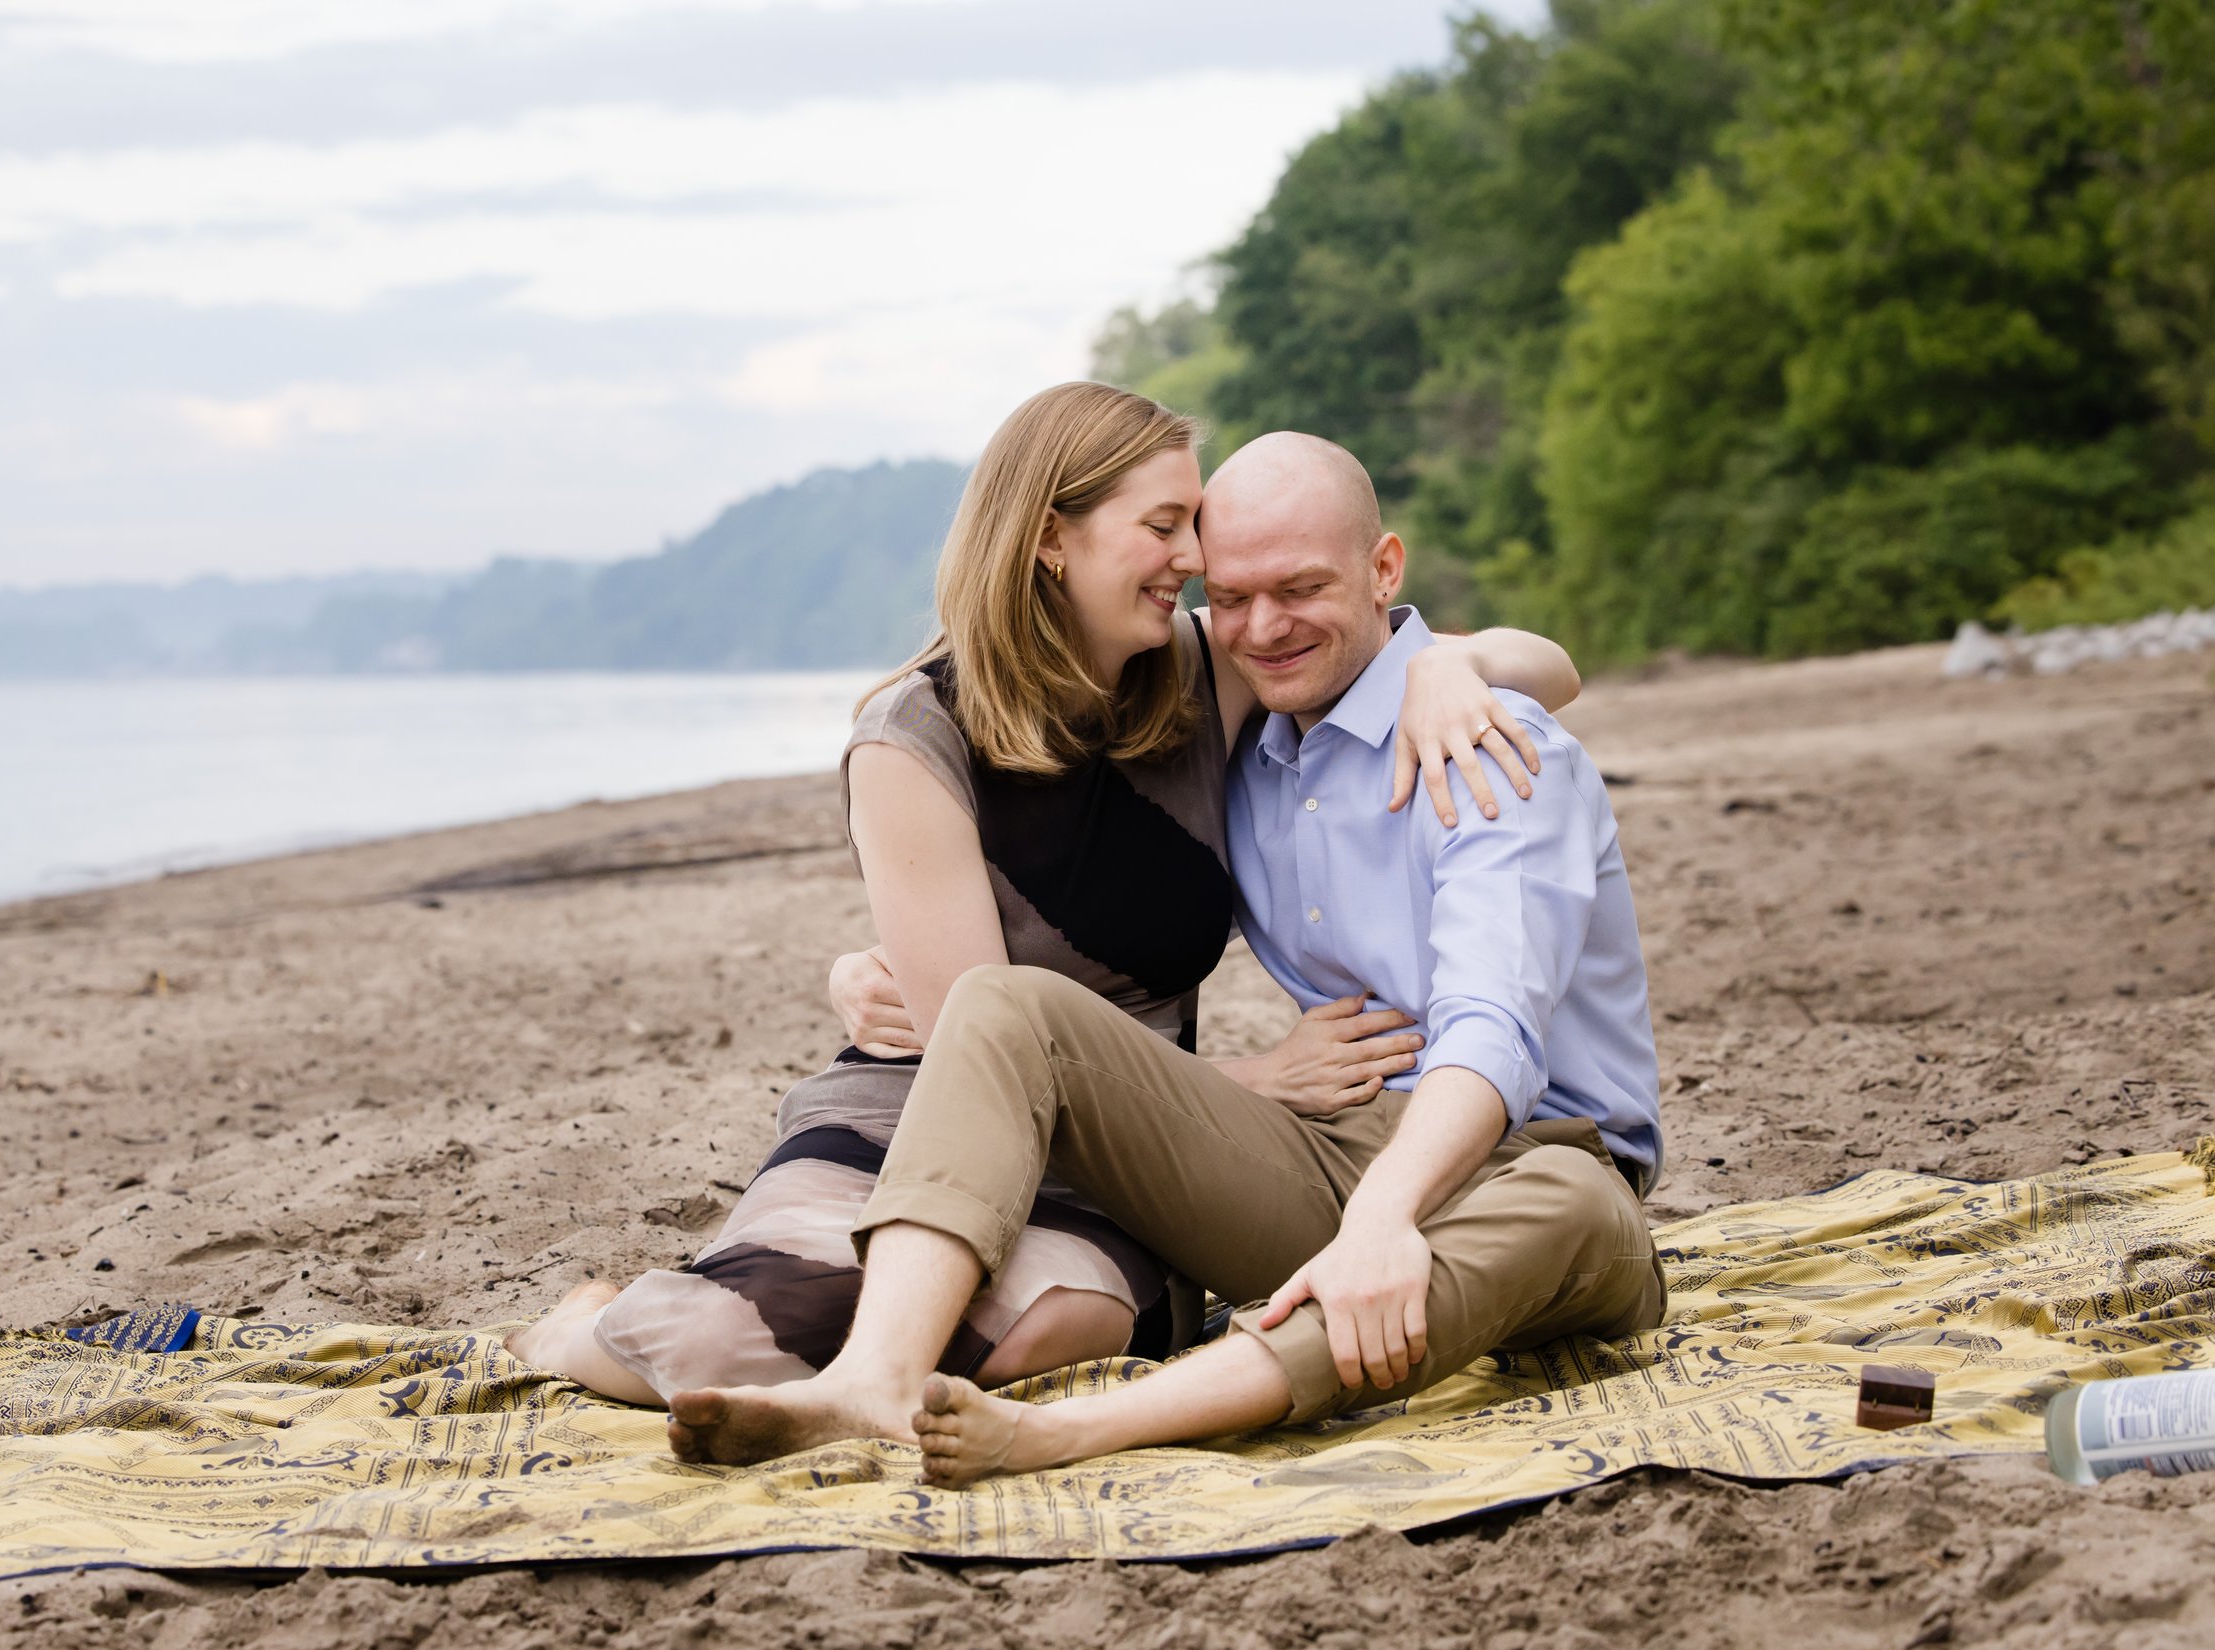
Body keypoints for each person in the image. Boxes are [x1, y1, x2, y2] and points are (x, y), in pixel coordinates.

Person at [504, 386, 1584, 1407]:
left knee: (1040, 1337)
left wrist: (1441, 663)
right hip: (922, 1120)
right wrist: (1250, 1081)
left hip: (1124, 1165)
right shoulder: (911, 737)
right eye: (1163, 526)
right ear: (1050, 538)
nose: (1195, 560)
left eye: (1191, 525)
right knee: (718, 1345)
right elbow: (968, 1032)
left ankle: (861, 1363)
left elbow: (1553, 667)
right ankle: (581, 1329)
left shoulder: (1207, 672)